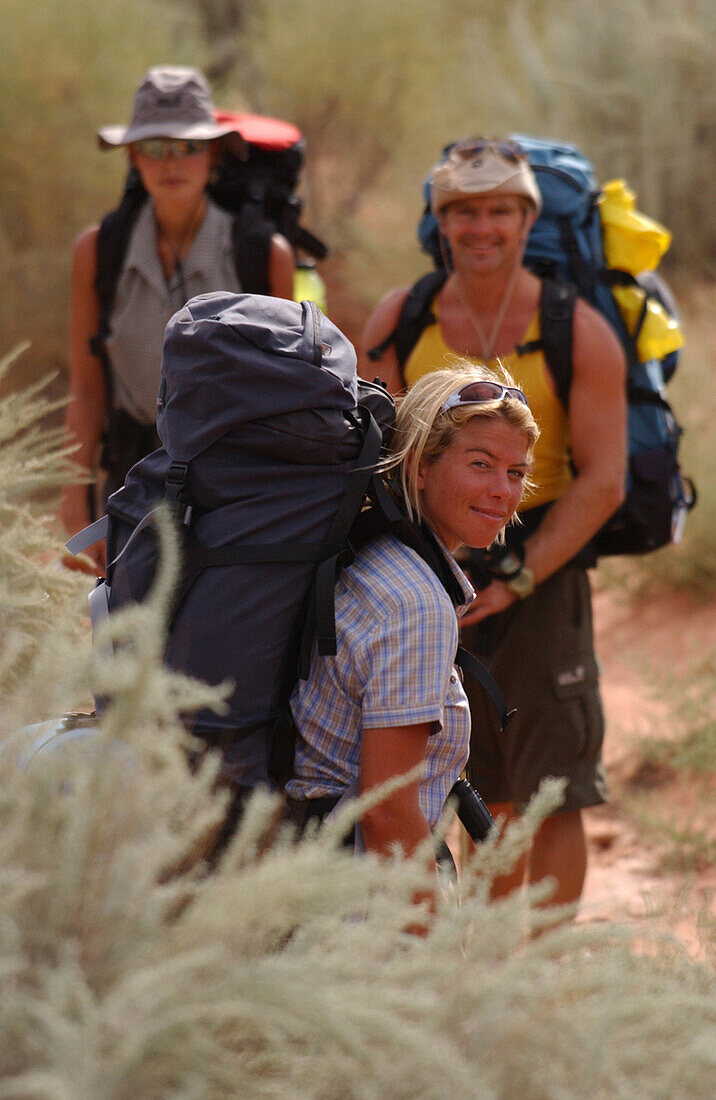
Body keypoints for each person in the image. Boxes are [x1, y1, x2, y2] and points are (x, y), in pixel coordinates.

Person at [359, 138, 627, 914]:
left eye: (499, 211)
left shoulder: (575, 328)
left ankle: (538, 979)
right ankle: (481, 967)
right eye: (464, 211)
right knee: (467, 778)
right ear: (440, 221)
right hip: (430, 567)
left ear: (527, 218)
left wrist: (519, 575)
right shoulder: (402, 318)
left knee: (554, 785)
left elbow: (603, 480)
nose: (482, 227)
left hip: (543, 569)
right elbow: (379, 452)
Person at [285, 364, 539, 919]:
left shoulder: (374, 557)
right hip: (361, 905)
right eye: (480, 464)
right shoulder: (416, 603)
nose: (502, 490)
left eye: (516, 472)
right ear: (420, 468)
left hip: (312, 873)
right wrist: (434, 950)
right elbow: (387, 813)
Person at [60, 66, 295, 572]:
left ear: (213, 153)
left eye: (188, 147)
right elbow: (87, 388)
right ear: (133, 157)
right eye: (156, 147)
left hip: (234, 485)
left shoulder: (261, 254)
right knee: (127, 636)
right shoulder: (99, 252)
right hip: (128, 476)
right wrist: (75, 493)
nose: (173, 162)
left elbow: (287, 392)